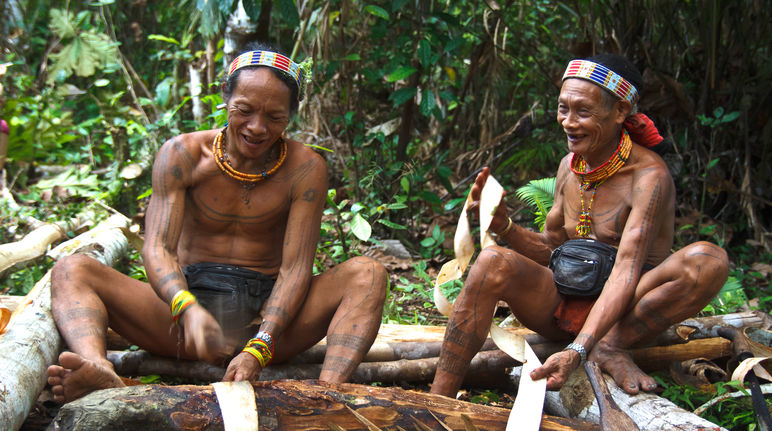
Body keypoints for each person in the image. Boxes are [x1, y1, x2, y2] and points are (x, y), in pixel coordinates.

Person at [46, 41, 388, 403]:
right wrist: (186, 309)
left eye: (274, 117)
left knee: (367, 275)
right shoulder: (183, 154)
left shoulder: (305, 169)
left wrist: (261, 345)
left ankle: (328, 398)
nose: (257, 127)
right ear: (225, 95)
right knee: (72, 270)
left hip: (265, 324)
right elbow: (158, 247)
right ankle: (98, 368)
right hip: (180, 323)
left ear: (291, 115)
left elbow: (295, 270)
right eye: (244, 110)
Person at [430, 54, 728, 397]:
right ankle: (438, 399)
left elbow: (625, 271)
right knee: (490, 261)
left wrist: (579, 349)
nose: (568, 122)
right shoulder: (568, 168)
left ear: (620, 112)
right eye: (562, 109)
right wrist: (505, 227)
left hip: (624, 313)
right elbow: (552, 250)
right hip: (562, 308)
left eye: (583, 112)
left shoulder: (650, 177)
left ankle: (610, 346)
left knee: (709, 259)